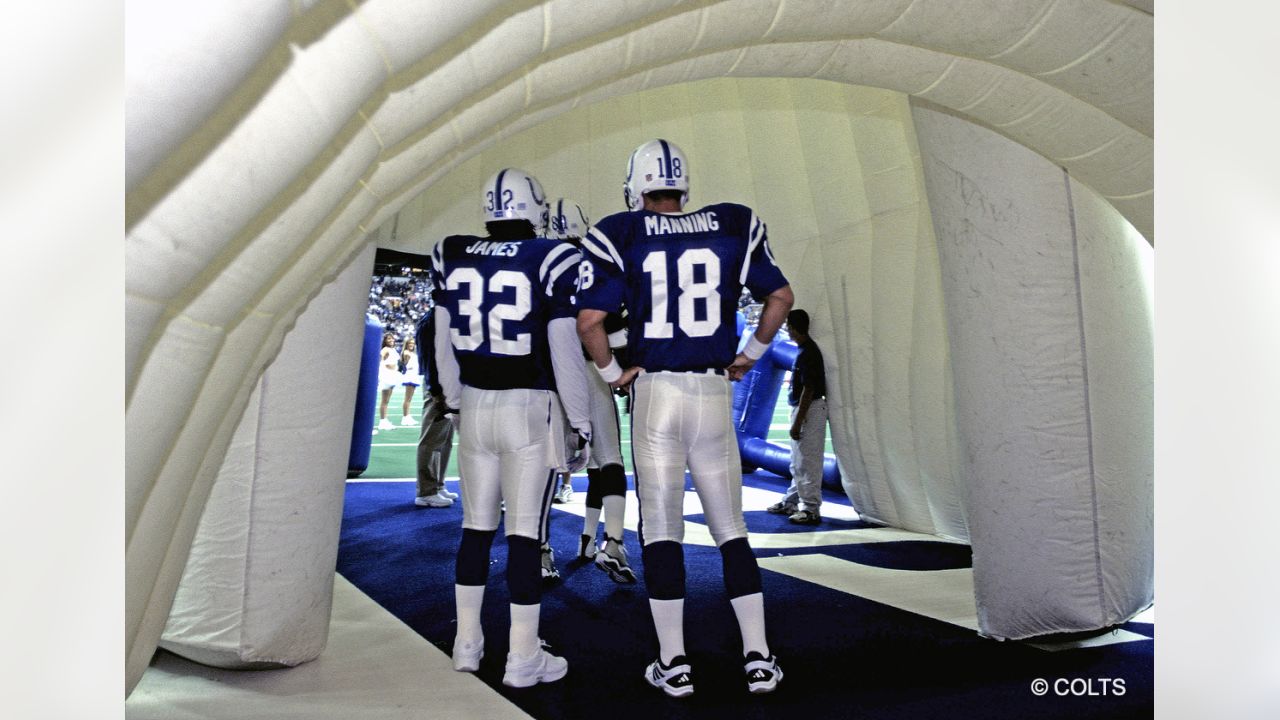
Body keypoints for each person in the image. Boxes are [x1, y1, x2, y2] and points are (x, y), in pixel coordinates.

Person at [577, 139, 794, 697]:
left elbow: (590, 323)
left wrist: (610, 376)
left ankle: (674, 664)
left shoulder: (620, 230)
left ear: (638, 186)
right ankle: (759, 659)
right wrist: (750, 354)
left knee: (663, 532)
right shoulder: (732, 222)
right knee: (732, 531)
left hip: (656, 393)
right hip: (712, 390)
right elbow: (780, 298)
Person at [432, 168, 592, 689]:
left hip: (476, 403)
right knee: (526, 536)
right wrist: (582, 421)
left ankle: (467, 645)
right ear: (535, 207)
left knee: (475, 530)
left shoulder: (451, 251)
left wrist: (455, 403)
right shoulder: (553, 256)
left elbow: (442, 341)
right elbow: (566, 348)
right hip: (530, 405)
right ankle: (523, 656)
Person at [548, 198, 636, 584]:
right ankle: (611, 542)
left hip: (548, 377)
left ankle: (550, 546)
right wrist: (617, 370)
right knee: (610, 459)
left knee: (549, 463)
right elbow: (612, 330)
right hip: (591, 370)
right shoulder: (592, 266)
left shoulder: (539, 264)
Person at [767, 309, 828, 524]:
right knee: (798, 460)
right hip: (806, 408)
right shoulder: (805, 350)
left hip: (810, 409)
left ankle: (811, 508)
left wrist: (798, 420)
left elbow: (809, 389)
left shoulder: (808, 353)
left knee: (807, 461)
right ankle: (792, 500)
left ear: (793, 327)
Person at [413, 306, 458, 509]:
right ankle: (426, 490)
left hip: (447, 382)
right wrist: (436, 389)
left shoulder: (442, 316)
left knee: (444, 439)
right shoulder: (432, 320)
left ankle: (437, 485)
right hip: (439, 384)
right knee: (431, 439)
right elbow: (430, 358)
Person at [376, 333, 401, 431]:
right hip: (387, 375)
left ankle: (385, 420)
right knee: (384, 400)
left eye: (392, 338)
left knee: (386, 401)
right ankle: (382, 422)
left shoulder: (393, 349)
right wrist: (383, 365)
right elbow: (380, 358)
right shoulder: (385, 349)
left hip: (392, 375)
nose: (391, 340)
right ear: (385, 340)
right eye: (388, 339)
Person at [400, 337, 421, 426]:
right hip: (410, 376)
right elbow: (406, 364)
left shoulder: (412, 352)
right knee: (407, 399)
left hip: (414, 375)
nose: (411, 345)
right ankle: (405, 418)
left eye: (413, 343)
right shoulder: (406, 353)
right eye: (409, 343)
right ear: (406, 344)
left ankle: (408, 416)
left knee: (409, 399)